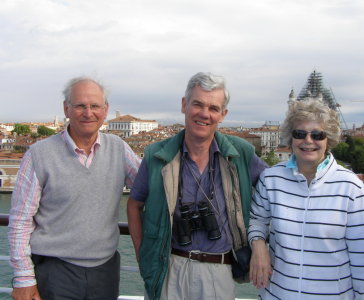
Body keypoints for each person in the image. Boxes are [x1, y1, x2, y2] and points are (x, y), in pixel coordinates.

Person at [127, 72, 268, 300]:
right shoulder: (156, 155)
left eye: (213, 108)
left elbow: (276, 191)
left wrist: (260, 243)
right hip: (168, 267)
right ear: (184, 105)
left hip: (219, 270)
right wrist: (143, 253)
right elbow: (134, 205)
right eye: (197, 104)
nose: (205, 114)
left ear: (223, 115)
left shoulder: (241, 153)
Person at [8, 77, 141, 300]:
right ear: (66, 109)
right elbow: (21, 220)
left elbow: (149, 187)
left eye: (95, 106)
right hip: (55, 271)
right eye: (80, 105)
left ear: (105, 110)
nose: (88, 113)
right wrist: (23, 278)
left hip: (105, 271)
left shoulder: (119, 149)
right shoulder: (39, 155)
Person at [248, 98, 364, 299]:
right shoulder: (271, 178)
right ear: (291, 138)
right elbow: (257, 219)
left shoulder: (351, 187)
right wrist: (258, 245)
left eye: (317, 134)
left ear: (329, 140)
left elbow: (363, 260)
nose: (308, 140)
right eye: (300, 134)